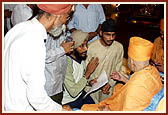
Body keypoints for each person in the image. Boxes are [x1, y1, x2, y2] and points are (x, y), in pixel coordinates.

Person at [4, 4, 74, 111]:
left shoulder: (19, 28)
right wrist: (60, 110)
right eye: (67, 17)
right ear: (58, 16)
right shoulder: (35, 41)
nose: (66, 22)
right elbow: (36, 97)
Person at [81, 37, 163, 111]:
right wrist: (124, 79)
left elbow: (135, 92)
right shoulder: (154, 71)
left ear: (131, 61)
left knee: (85, 108)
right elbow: (143, 88)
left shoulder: (134, 89)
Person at [84, 19, 124, 104]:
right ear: (101, 33)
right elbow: (85, 67)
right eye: (108, 35)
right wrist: (90, 81)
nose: (111, 38)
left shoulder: (119, 47)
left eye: (113, 35)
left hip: (108, 88)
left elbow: (118, 67)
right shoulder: (91, 47)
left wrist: (110, 83)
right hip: (92, 88)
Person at [62, 30, 99, 109]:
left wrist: (89, 82)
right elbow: (74, 92)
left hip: (81, 95)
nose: (86, 49)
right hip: (69, 101)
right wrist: (88, 73)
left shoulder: (80, 59)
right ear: (73, 47)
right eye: (81, 46)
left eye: (86, 45)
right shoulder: (66, 63)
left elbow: (79, 79)